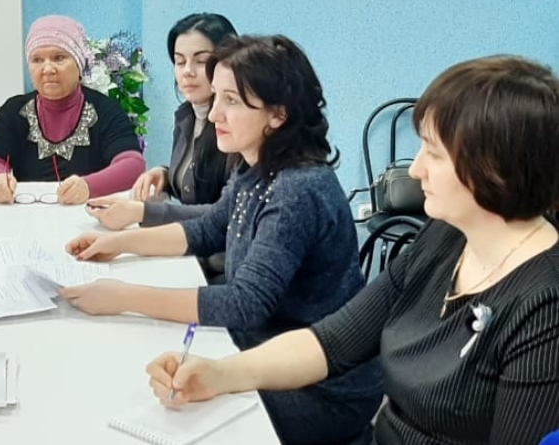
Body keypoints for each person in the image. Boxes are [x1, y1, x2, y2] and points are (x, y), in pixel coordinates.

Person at [146, 55, 559, 445]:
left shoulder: (544, 307)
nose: (415, 169)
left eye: (433, 152)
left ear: (495, 167)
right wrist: (219, 374)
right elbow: (335, 341)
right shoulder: (445, 237)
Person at [62, 35, 382, 445]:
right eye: (217, 98)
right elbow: (210, 228)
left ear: (278, 114)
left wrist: (124, 297)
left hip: (320, 388)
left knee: (164, 410)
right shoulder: (257, 167)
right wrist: (120, 244)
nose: (214, 113)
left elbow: (245, 303)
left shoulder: (297, 190)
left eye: (231, 100)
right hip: (262, 352)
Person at [0, 15, 146, 205]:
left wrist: (89, 186)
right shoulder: (14, 111)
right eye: (37, 60)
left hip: (89, 214)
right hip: (29, 214)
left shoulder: (106, 110)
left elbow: (133, 165)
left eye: (59, 58)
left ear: (79, 64)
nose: (47, 69)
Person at [85, 13, 236, 230]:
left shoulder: (236, 126)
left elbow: (230, 214)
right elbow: (195, 186)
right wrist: (166, 176)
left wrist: (142, 212)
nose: (187, 72)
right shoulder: (186, 117)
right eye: (180, 61)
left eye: (201, 61)